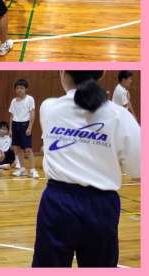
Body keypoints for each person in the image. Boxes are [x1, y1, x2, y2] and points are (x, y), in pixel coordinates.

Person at [33, 71, 141, 267]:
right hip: (101, 207)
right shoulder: (120, 115)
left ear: (62, 72)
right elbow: (137, 170)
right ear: (102, 73)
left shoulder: (48, 108)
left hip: (58, 204)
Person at [9, 78, 39, 178]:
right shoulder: (13, 101)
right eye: (17, 88)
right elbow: (11, 116)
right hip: (15, 125)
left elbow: (32, 113)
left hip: (25, 125)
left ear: (26, 89)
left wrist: (30, 127)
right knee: (18, 149)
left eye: (21, 88)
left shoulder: (30, 99)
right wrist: (10, 129)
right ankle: (22, 169)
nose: (19, 90)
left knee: (28, 149)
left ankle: (33, 170)